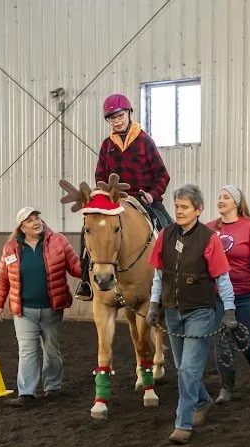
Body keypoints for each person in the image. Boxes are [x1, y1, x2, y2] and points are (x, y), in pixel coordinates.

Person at [146, 184, 237, 445]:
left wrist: (229, 310)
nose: (179, 211)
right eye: (177, 207)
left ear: (199, 210)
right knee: (182, 367)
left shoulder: (210, 239)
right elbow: (158, 276)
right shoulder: (165, 236)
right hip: (173, 312)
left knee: (187, 369)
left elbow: (223, 279)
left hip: (200, 312)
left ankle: (183, 423)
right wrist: (154, 305)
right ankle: (202, 401)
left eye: (185, 207)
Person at [75, 93, 173, 301]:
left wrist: (152, 194)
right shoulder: (106, 145)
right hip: (115, 201)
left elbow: (162, 175)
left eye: (120, 116)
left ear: (129, 113)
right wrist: (103, 195)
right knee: (88, 230)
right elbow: (100, 175)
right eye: (112, 118)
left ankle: (173, 280)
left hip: (145, 199)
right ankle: (85, 280)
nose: (117, 121)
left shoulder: (145, 141)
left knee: (170, 230)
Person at [0, 207, 82, 407]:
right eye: (29, 220)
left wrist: (92, 266)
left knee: (51, 350)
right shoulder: (11, 248)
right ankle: (27, 393)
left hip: (52, 308)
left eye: (37, 217)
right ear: (21, 227)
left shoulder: (58, 241)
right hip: (24, 311)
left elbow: (75, 266)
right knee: (27, 351)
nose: (35, 222)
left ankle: (53, 387)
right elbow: (3, 278)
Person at [205, 185, 250, 403]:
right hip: (220, 297)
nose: (221, 200)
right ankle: (227, 387)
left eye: (226, 197)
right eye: (219, 197)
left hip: (247, 294)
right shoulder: (209, 228)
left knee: (249, 342)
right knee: (223, 341)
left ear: (237, 202)